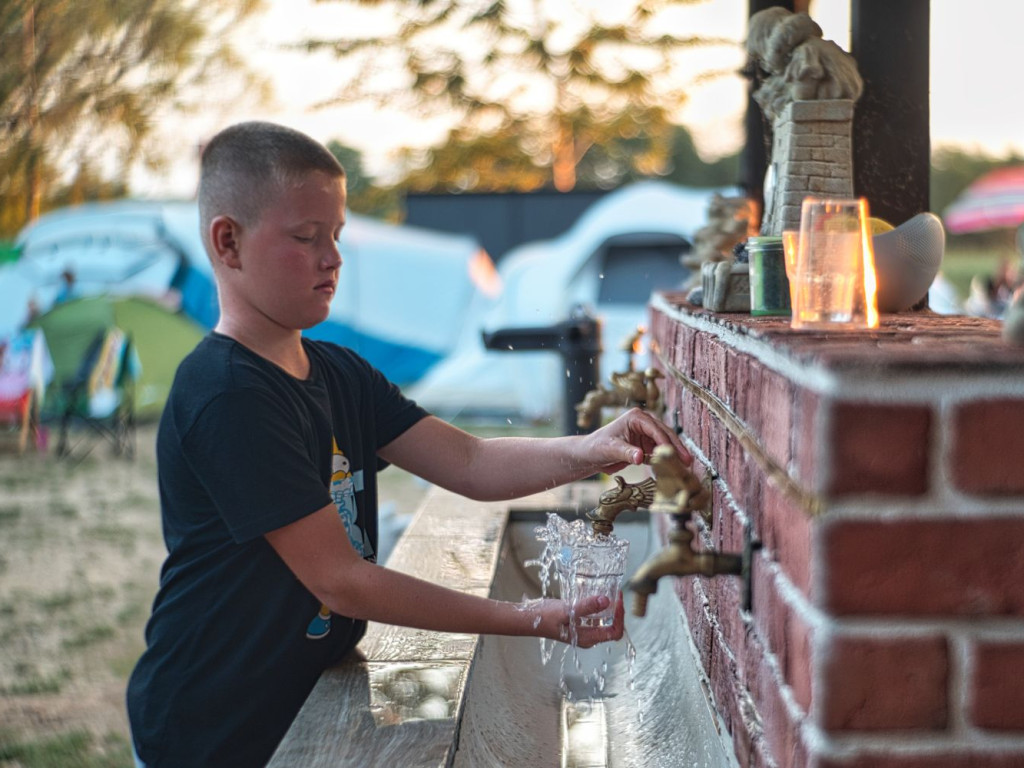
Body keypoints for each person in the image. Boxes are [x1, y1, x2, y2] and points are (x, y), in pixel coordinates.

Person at [125, 121, 692, 767]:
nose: (333, 258)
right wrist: (534, 617)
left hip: (299, 693)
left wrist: (592, 448)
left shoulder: (340, 372)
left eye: (336, 235)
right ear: (228, 241)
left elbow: (471, 462)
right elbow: (343, 582)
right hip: (211, 725)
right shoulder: (229, 394)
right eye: (306, 237)